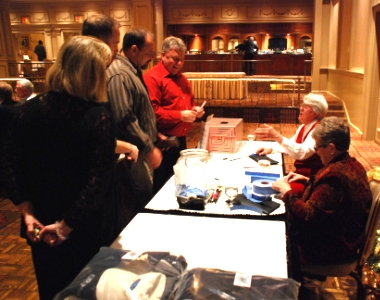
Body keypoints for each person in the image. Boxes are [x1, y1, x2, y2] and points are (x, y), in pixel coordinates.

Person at [1, 35, 119, 300]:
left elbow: (9, 167)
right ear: (91, 73)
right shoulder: (96, 115)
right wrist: (66, 226)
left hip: (39, 224)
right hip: (83, 228)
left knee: (50, 289)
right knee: (87, 291)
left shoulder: (26, 111)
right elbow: (96, 181)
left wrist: (26, 212)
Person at [271, 117, 372, 268]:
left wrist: (287, 191)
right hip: (344, 236)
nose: (316, 152)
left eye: (317, 148)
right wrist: (307, 180)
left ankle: (290, 280)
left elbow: (308, 215)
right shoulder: (353, 164)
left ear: (331, 148)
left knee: (274, 226)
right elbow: (329, 197)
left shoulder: (335, 178)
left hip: (330, 249)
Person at [106, 28, 162, 211]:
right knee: (140, 201)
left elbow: (138, 112)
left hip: (140, 148)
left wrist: (155, 134)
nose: (151, 58)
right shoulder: (120, 74)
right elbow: (124, 118)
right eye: (149, 53)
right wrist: (148, 146)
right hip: (134, 152)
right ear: (134, 49)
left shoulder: (132, 69)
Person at [143, 36, 205, 194]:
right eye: (175, 59)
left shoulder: (182, 78)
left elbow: (188, 103)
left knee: (180, 183)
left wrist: (195, 109)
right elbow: (152, 113)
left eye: (182, 60)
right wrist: (180, 115)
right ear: (163, 55)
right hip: (162, 141)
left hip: (181, 140)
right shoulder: (152, 78)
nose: (179, 64)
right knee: (162, 188)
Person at [254, 93, 328, 195]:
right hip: (299, 173)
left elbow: (302, 153)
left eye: (306, 107)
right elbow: (290, 145)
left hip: (311, 178)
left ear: (316, 113)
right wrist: (271, 148)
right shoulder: (303, 127)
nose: (301, 109)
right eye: (302, 106)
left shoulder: (318, 130)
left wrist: (277, 136)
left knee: (274, 189)